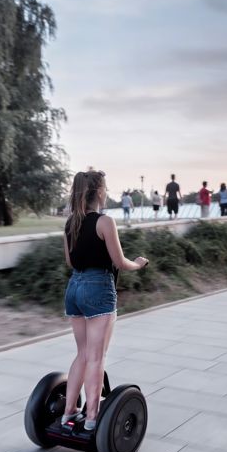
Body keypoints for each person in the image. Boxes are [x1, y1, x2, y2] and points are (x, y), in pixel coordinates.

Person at [62, 170, 149, 430]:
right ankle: (91, 417)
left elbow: (70, 262)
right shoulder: (105, 222)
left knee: (82, 354)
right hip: (98, 287)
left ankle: (68, 413)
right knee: (97, 357)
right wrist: (138, 264)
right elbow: (119, 261)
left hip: (74, 287)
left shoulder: (70, 223)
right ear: (99, 192)